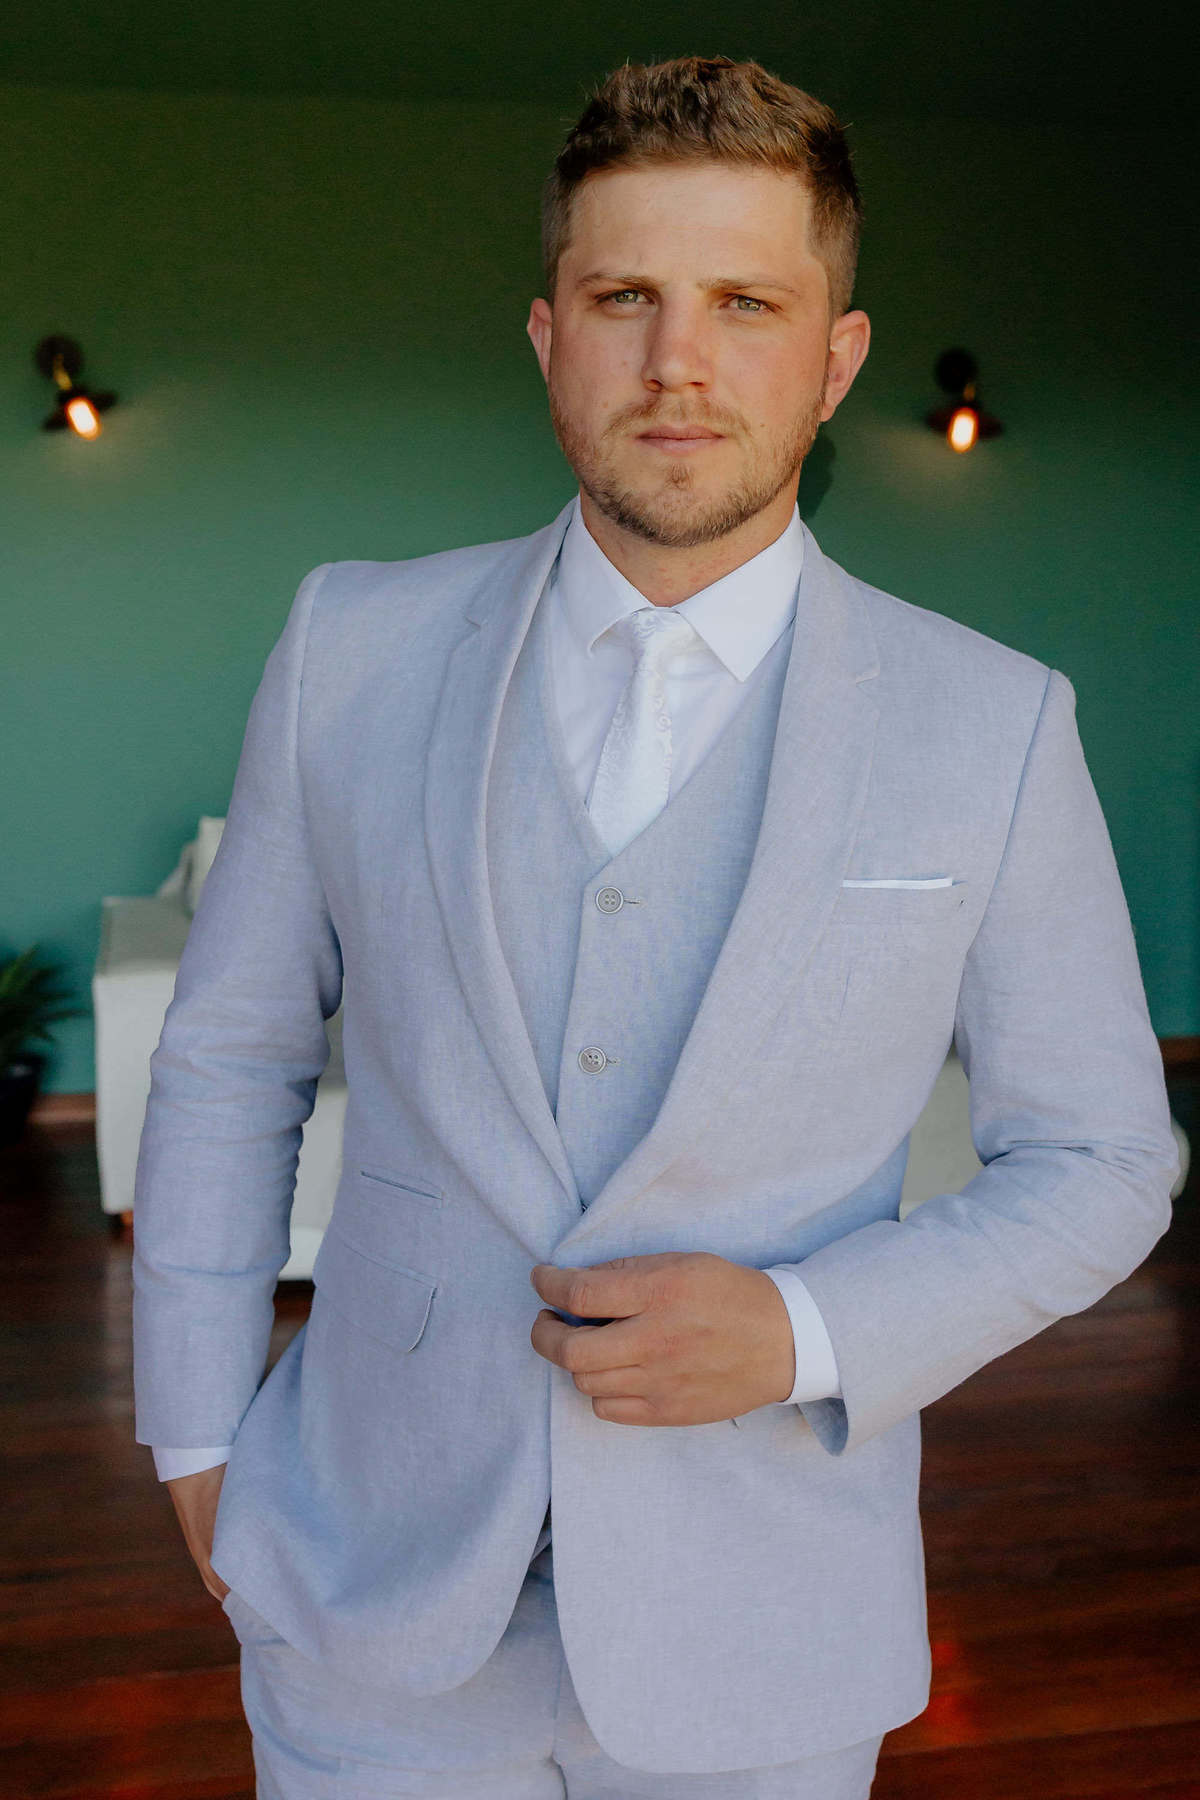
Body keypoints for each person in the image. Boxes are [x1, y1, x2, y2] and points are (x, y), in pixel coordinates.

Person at [132, 54, 1179, 1799]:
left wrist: (806, 1332)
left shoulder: (994, 724)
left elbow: (1103, 1159)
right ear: (550, 336)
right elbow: (230, 1055)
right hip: (363, 1588)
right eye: (625, 298)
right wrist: (193, 1438)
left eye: (745, 304)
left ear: (834, 358)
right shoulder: (350, 647)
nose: (677, 361)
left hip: (766, 1624)